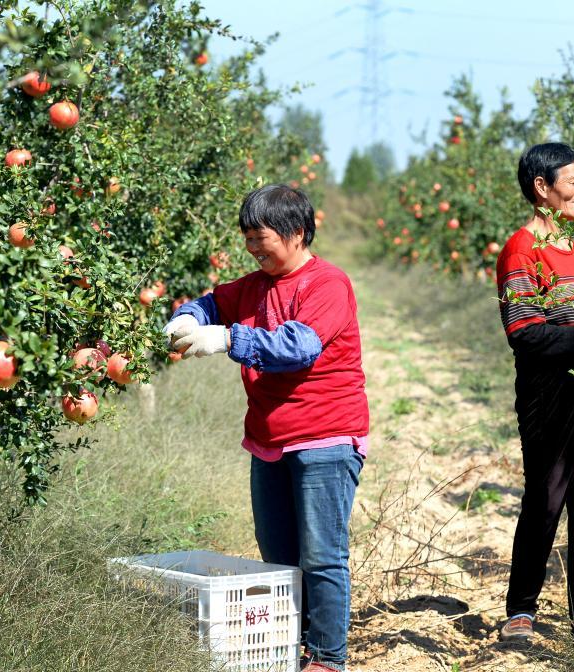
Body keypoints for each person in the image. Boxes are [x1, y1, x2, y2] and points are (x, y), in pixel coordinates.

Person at [162, 184, 368, 672]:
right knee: (278, 553)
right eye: (248, 240)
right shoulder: (253, 286)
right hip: (269, 440)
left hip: (325, 435)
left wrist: (228, 338)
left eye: (261, 238)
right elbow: (212, 303)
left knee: (321, 556)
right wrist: (187, 318)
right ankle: (289, 643)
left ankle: (327, 658)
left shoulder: (327, 285)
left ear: (296, 233)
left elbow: (298, 346)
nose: (253, 250)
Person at [494, 142, 574, 642]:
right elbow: (523, 332)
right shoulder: (521, 250)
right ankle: (521, 609)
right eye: (572, 182)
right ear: (541, 188)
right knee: (546, 499)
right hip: (550, 396)